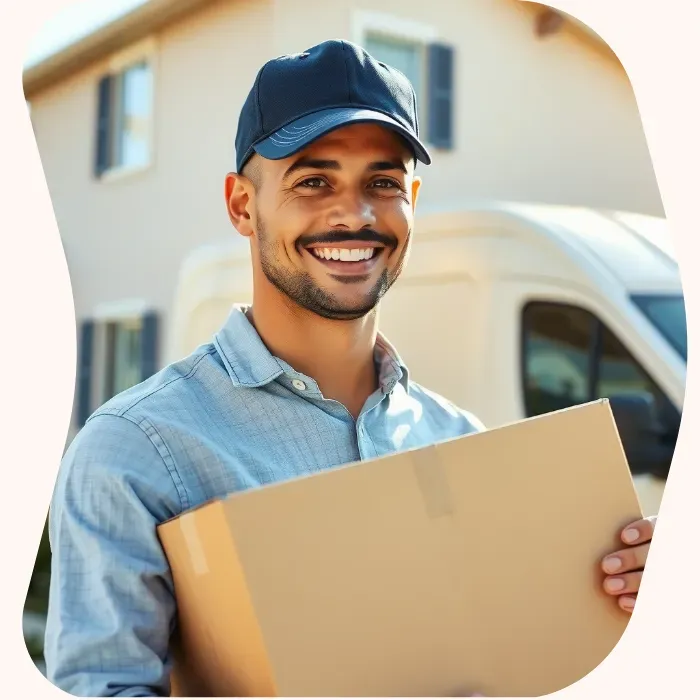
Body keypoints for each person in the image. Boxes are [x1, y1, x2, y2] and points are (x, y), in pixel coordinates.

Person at [44, 39, 657, 697]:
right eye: (314, 181)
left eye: (384, 182)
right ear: (242, 205)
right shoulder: (135, 450)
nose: (355, 214)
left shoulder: (458, 442)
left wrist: (628, 612)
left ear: (412, 199)